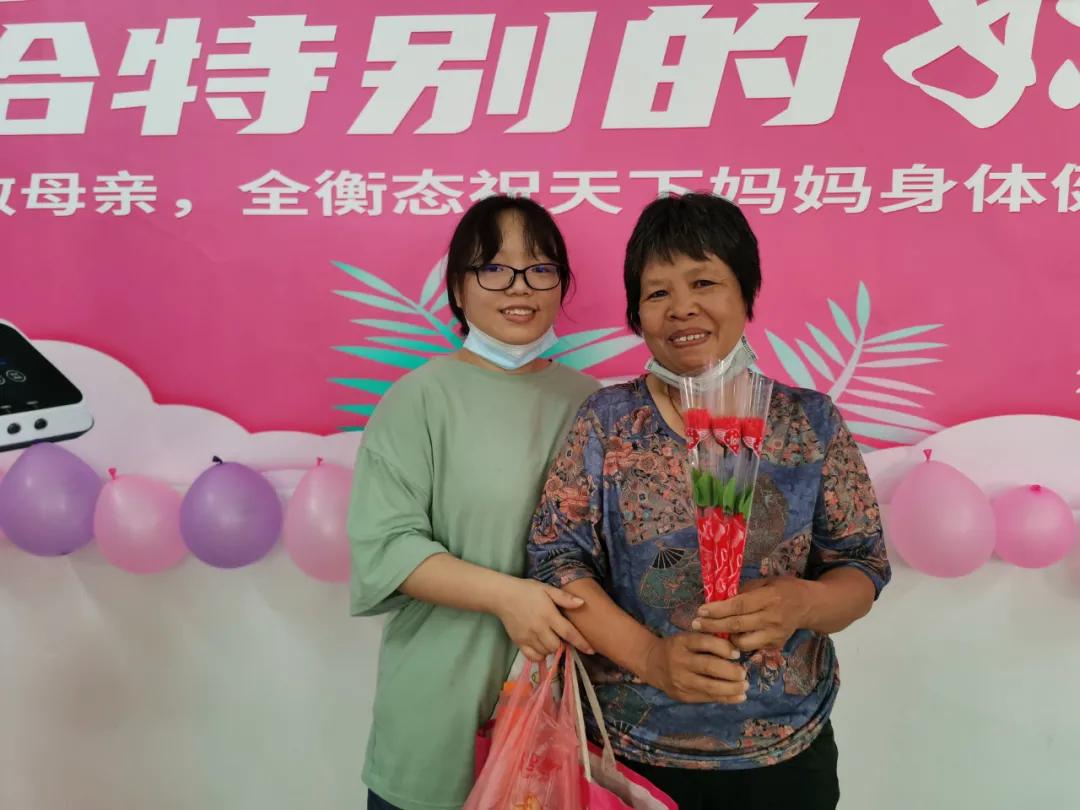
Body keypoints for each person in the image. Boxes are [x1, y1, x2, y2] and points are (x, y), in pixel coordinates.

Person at [528, 193, 890, 810]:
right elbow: (555, 559)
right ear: (637, 314)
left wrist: (805, 601)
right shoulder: (608, 421)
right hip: (628, 754)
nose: (682, 308)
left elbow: (863, 563)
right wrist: (651, 657)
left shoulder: (809, 422)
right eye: (657, 292)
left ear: (746, 294)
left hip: (785, 755)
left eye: (704, 282)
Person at [349, 195, 600, 810]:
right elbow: (389, 548)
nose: (520, 286)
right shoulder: (419, 400)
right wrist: (508, 596)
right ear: (458, 289)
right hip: (440, 713)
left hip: (565, 721)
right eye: (494, 268)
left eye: (540, 269)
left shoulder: (598, 405)